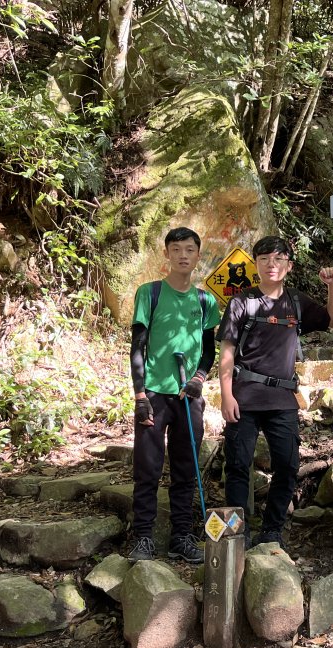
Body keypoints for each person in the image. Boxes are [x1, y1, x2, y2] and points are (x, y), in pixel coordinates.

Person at [218, 236, 333, 548]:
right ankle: (236, 533)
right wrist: (226, 395)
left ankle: (272, 529)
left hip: (282, 399)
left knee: (287, 466)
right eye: (264, 259)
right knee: (237, 467)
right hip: (244, 397)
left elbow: (332, 319)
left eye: (278, 259)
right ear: (255, 264)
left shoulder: (295, 302)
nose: (272, 265)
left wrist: (331, 286)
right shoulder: (241, 302)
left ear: (289, 265)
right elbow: (227, 353)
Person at [128, 226, 221, 564]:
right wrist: (139, 395)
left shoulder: (205, 300)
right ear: (166, 253)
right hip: (154, 393)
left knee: (186, 469)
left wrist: (198, 378)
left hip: (188, 397)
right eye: (177, 249)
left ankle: (181, 537)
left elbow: (208, 350)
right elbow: (138, 347)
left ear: (198, 255)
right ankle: (143, 538)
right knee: (147, 469)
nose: (183, 255)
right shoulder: (149, 293)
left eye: (190, 250)